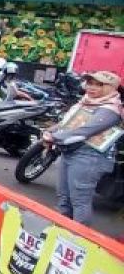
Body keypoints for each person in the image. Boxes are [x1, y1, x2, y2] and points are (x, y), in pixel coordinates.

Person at [44, 71, 123, 226]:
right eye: (90, 83)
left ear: (111, 88)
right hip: (70, 153)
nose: (92, 88)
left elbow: (84, 131)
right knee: (63, 197)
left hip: (89, 158)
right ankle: (60, 231)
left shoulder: (110, 110)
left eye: (99, 85)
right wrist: (49, 130)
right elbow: (67, 124)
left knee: (79, 200)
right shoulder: (85, 102)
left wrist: (53, 137)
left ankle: (78, 238)